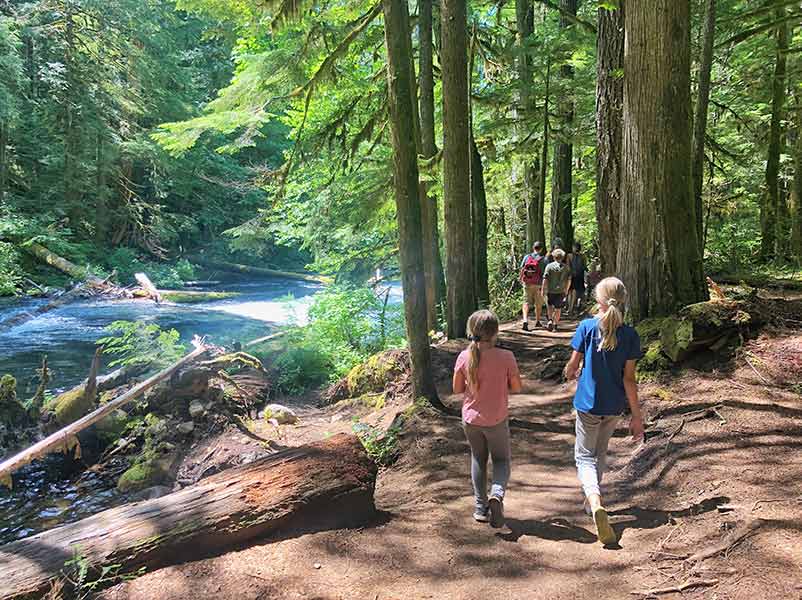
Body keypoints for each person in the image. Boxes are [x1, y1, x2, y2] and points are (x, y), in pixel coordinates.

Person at [563, 277, 644, 545]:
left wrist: (570, 373)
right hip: (614, 406)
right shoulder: (631, 335)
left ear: (598, 299)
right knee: (599, 453)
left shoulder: (586, 327)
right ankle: (591, 503)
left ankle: (595, 501)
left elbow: (572, 366)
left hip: (588, 404)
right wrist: (636, 416)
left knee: (584, 457)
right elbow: (629, 379)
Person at [453, 310, 522, 528]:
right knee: (501, 460)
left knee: (478, 459)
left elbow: (456, 389)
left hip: (471, 420)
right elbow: (517, 388)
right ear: (495, 332)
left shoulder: (464, 356)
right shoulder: (506, 357)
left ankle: (480, 508)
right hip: (497, 419)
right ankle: (497, 494)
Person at [540, 247, 571, 331]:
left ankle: (550, 320)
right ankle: (555, 325)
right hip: (561, 291)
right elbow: (569, 280)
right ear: (563, 257)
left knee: (549, 306)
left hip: (551, 290)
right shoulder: (566, 267)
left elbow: (545, 279)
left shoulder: (549, 266)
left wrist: (543, 289)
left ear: (554, 257)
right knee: (558, 309)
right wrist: (566, 290)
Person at [519, 241, 546, 330]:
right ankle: (537, 321)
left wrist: (521, 279)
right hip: (538, 284)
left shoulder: (527, 257)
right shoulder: (543, 259)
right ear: (541, 249)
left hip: (527, 283)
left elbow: (522, 268)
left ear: (533, 248)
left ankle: (525, 320)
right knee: (538, 303)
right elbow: (545, 273)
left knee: (526, 301)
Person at [567, 242, 587, 315]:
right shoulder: (583, 256)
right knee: (575, 292)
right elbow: (584, 266)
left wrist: (570, 274)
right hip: (579, 275)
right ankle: (571, 308)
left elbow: (568, 267)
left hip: (572, 276)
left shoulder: (569, 256)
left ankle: (570, 308)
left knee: (570, 292)